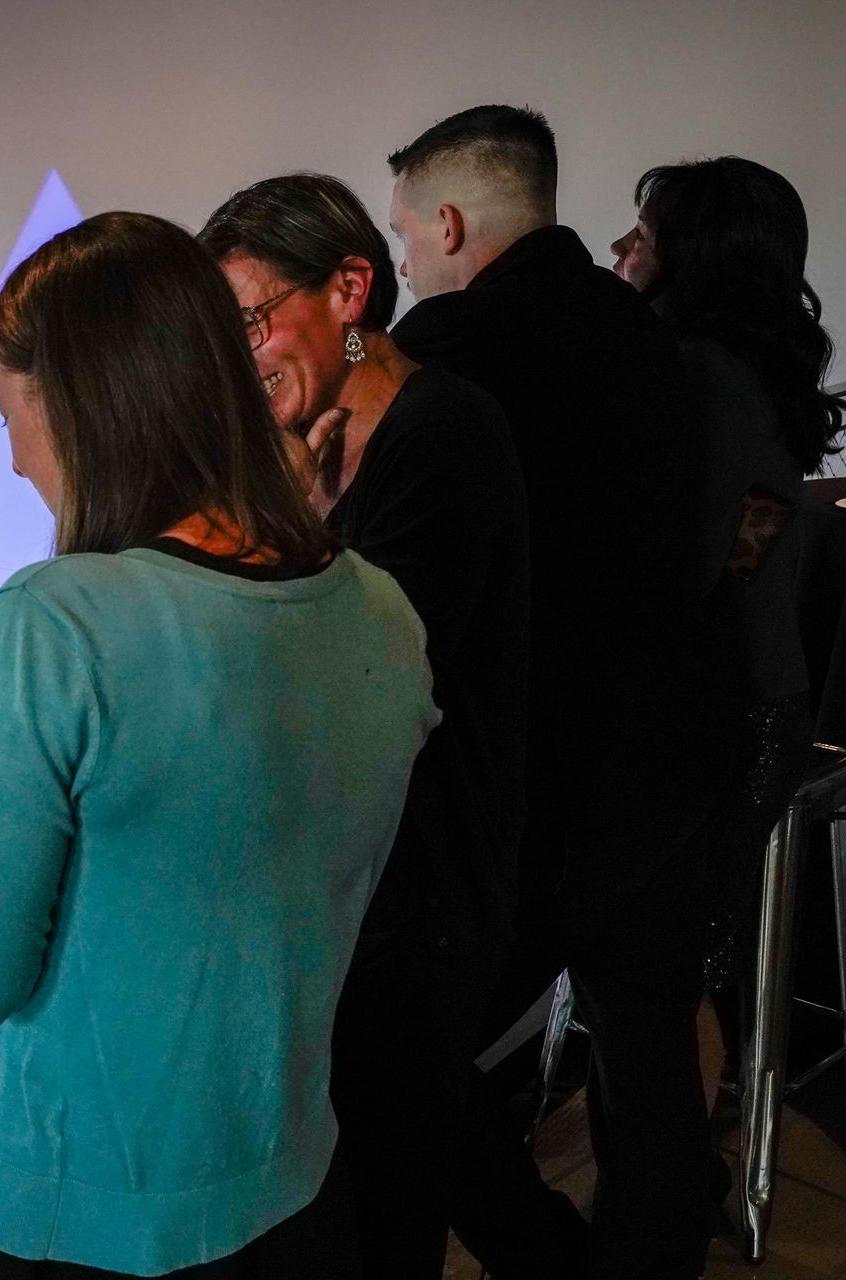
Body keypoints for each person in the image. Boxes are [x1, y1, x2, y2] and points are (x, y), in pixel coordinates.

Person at [0, 211, 439, 1278]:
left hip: (65, 1213)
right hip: (286, 1193)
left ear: (81, 405)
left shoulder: (58, 616)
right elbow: (212, 825)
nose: (12, 461)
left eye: (8, 414)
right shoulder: (380, 608)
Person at [385, 105, 732, 1278]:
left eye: (403, 238)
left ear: (447, 223)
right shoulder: (642, 330)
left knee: (408, 1045)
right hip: (670, 755)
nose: (402, 264)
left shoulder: (451, 343)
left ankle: (542, 1260)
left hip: (545, 780)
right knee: (652, 1070)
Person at [200, 172, 530, 1279]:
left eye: (251, 319)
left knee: (390, 1212)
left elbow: (365, 682)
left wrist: (288, 528)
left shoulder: (445, 431)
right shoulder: (308, 440)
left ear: (349, 291)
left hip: (420, 899)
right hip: (347, 893)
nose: (239, 355)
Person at [610, 158, 846, 1118]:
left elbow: (716, 564)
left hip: (726, 717)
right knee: (678, 968)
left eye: (642, 235)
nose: (619, 248)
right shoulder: (750, 377)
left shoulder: (700, 378)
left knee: (663, 974)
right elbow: (751, 543)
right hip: (759, 705)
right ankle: (683, 1166)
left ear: (694, 256)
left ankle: (676, 1174)